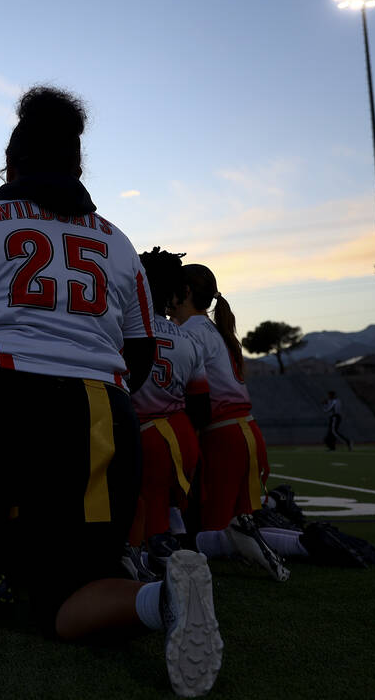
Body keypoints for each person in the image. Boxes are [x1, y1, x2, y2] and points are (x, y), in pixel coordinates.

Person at [0, 87, 222, 697]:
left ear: (11, 162)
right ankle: (161, 600)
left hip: (2, 388)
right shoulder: (121, 242)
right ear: (79, 165)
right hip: (103, 411)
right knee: (69, 600)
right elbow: (137, 353)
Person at [171, 264, 289, 583]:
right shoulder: (212, 329)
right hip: (244, 431)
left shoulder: (190, 332)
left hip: (223, 437)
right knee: (235, 523)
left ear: (184, 294)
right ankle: (289, 542)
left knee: (211, 530)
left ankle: (292, 548)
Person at [126, 248, 210, 579]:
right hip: (183, 440)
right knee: (162, 519)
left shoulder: (122, 329)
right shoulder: (189, 340)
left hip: (143, 439)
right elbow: (200, 407)